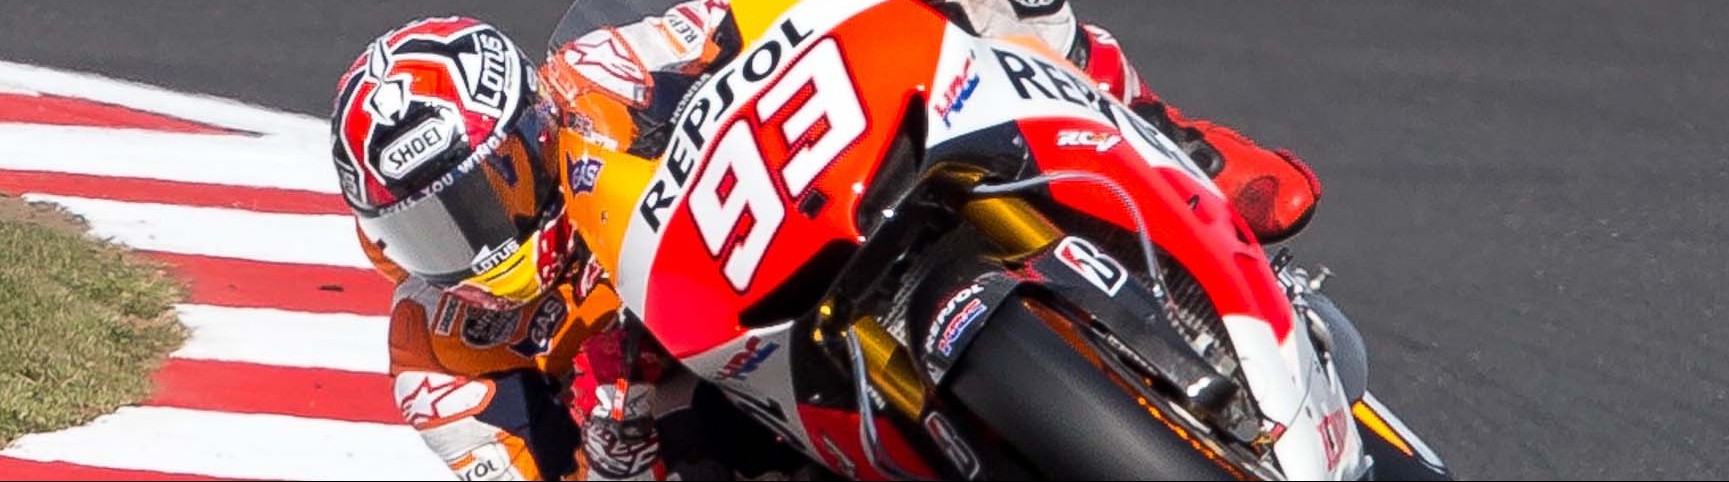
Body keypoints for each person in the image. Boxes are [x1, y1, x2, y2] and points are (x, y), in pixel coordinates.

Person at [325, 0, 1323, 480]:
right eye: (425, 226)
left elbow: (749, 17)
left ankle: (1170, 140)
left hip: (787, 229)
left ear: (531, 127)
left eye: (483, 191)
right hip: (706, 420)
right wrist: (612, 437)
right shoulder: (436, 357)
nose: (473, 238)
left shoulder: (601, 73)